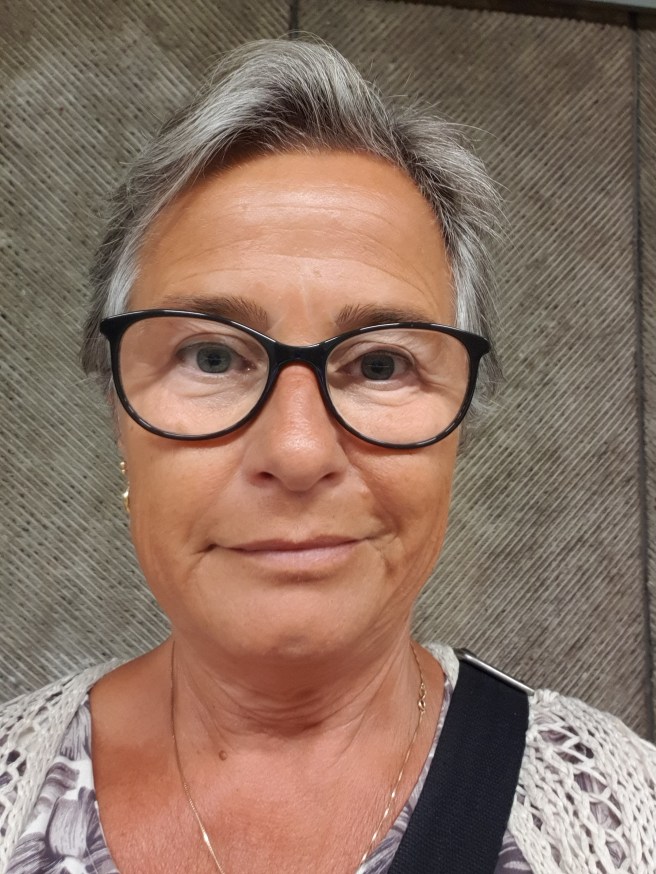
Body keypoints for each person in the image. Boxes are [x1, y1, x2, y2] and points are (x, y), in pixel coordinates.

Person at [0, 38, 654, 874]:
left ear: (459, 427)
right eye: (212, 357)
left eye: (381, 364)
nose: (299, 450)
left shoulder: (625, 818)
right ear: (116, 412)